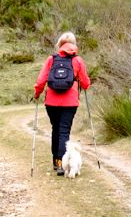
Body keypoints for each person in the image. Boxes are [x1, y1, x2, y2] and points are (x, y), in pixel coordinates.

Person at [34, 31, 91, 174]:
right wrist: (83, 84)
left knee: (56, 130)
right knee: (64, 131)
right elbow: (85, 83)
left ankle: (57, 163)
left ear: (59, 44)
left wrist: (37, 93)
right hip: (70, 103)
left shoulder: (51, 59)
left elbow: (41, 81)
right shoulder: (77, 61)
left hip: (51, 102)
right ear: (74, 44)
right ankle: (62, 164)